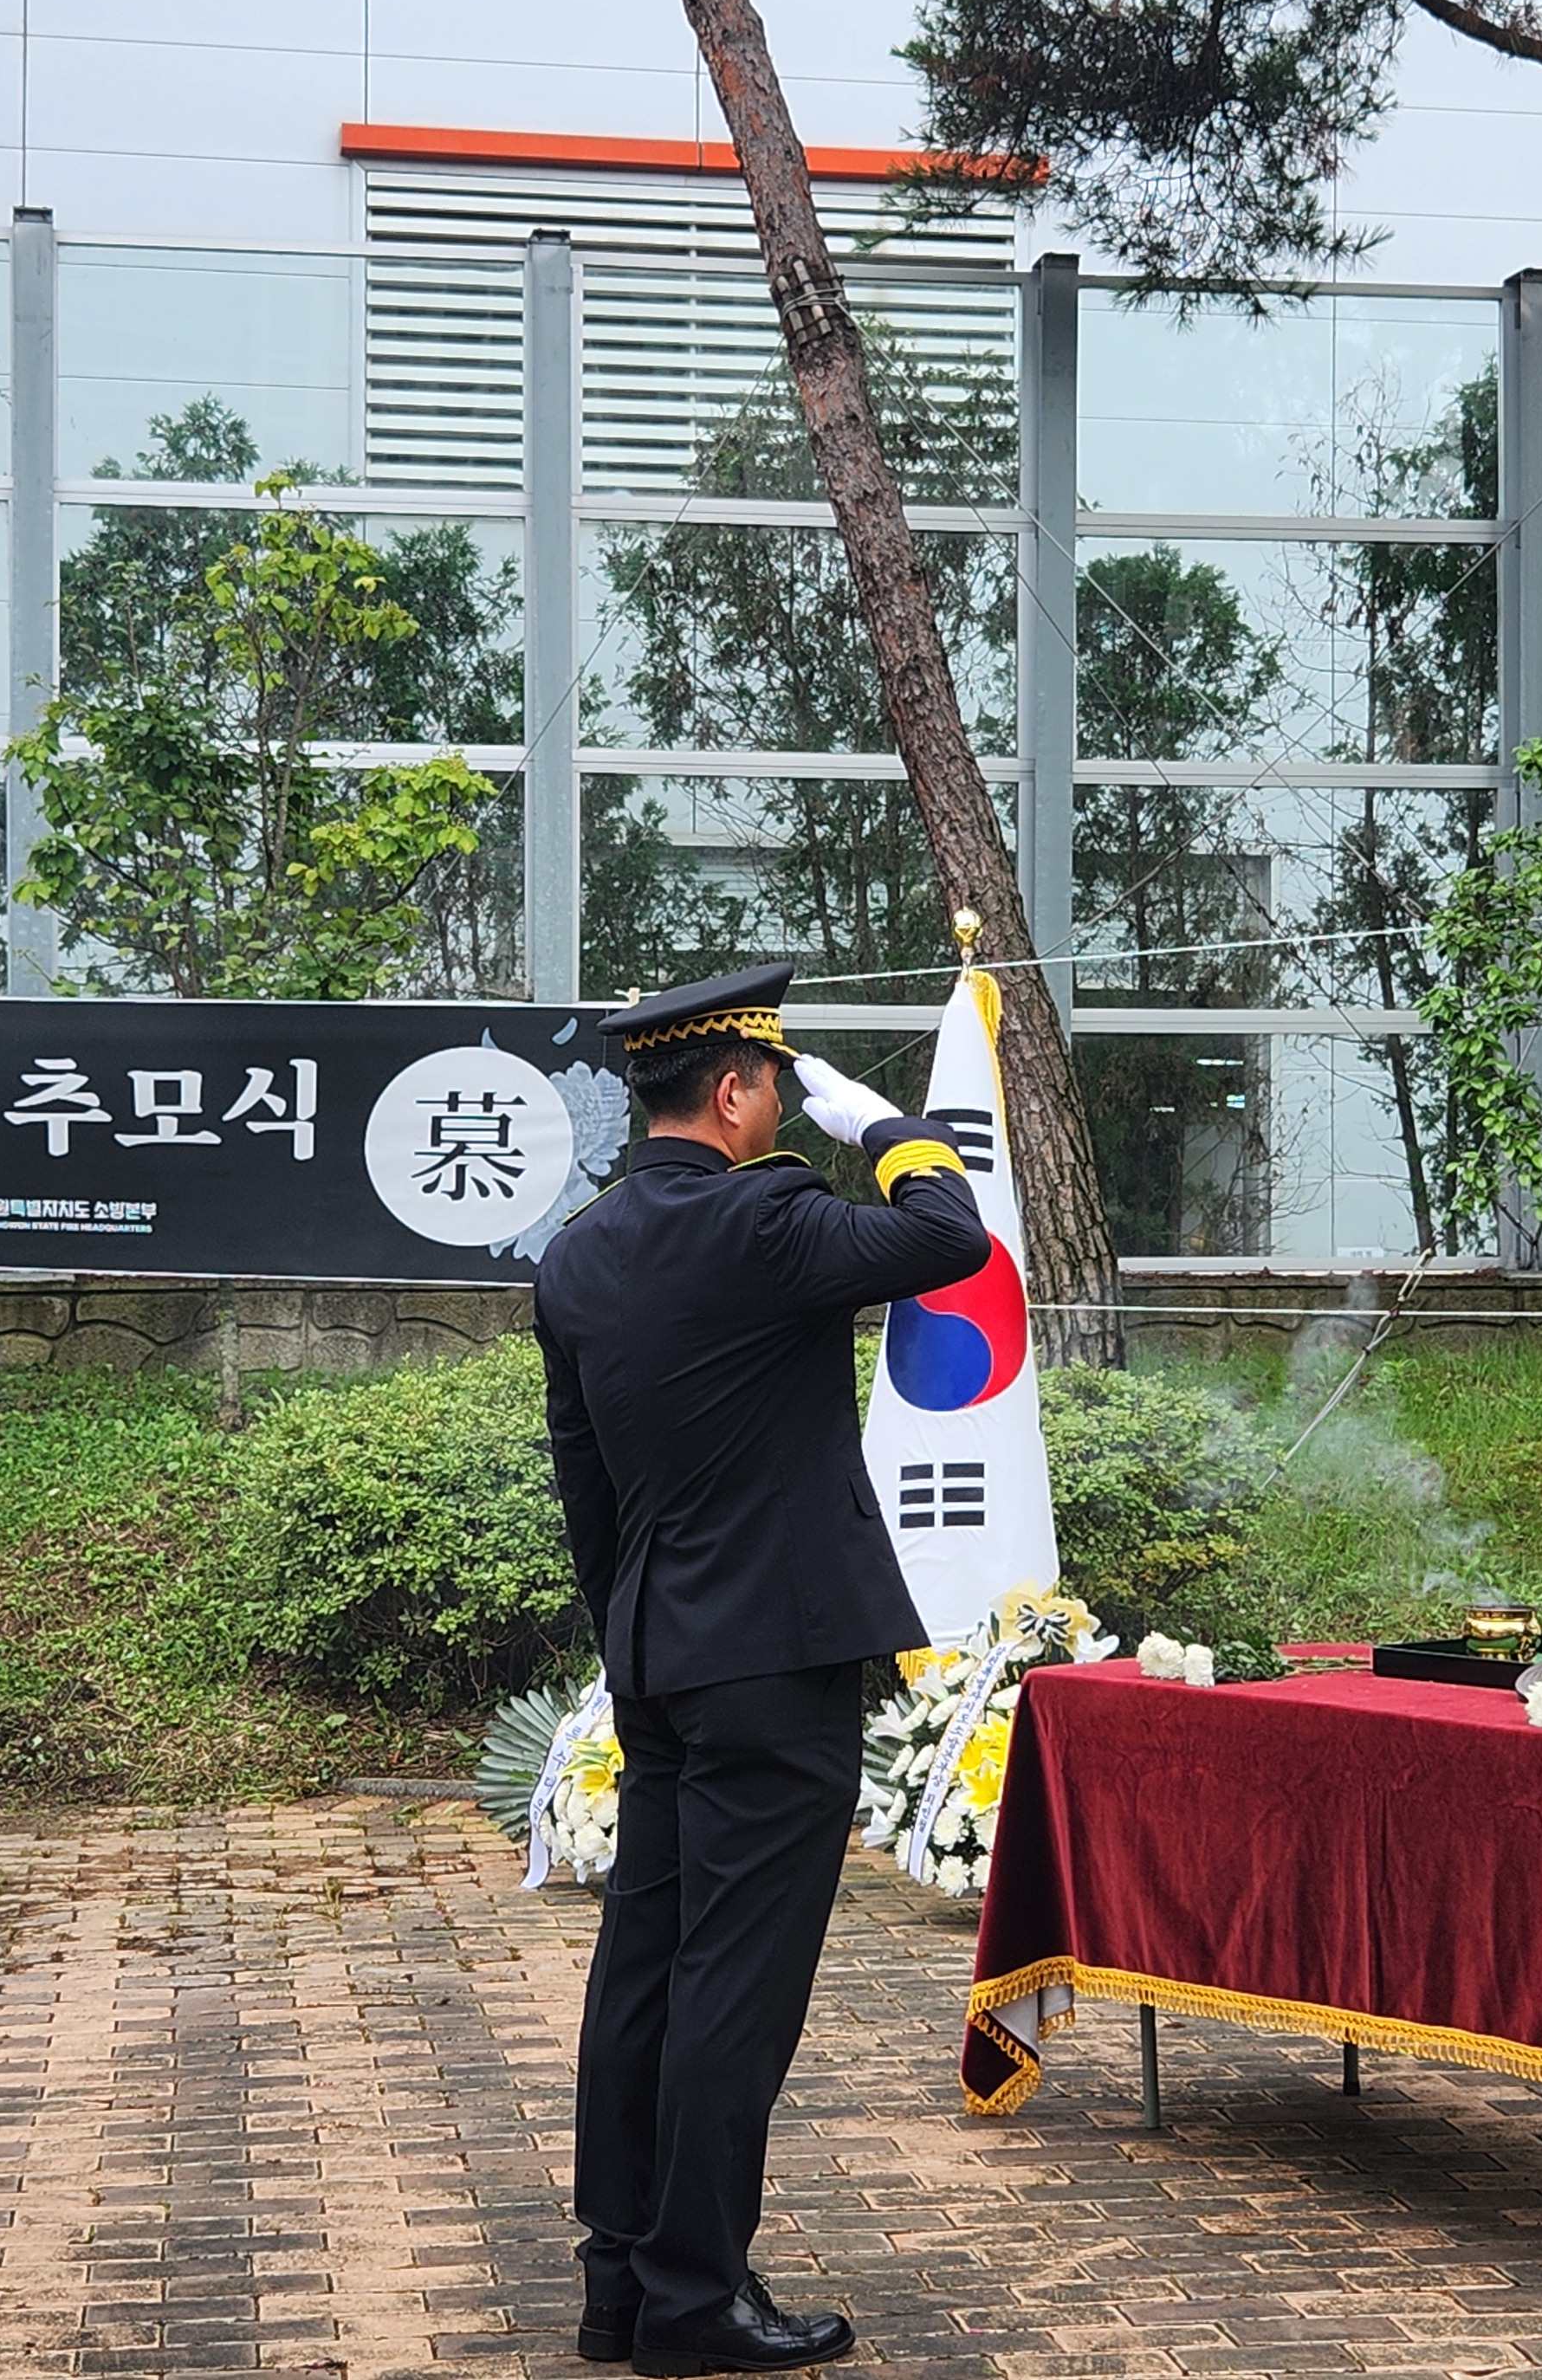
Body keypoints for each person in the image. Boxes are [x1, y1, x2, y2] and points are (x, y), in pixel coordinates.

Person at [535, 961, 988, 2377]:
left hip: (660, 1654)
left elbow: (588, 1491)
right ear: (733, 1092)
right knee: (737, 1979)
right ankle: (693, 2297)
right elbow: (951, 1235)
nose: (787, 1107)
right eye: (781, 1086)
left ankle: (619, 2280)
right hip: (774, 1664)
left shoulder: (579, 1255)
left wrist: (635, 1634)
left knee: (646, 1963)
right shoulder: (765, 1217)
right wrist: (886, 1128)